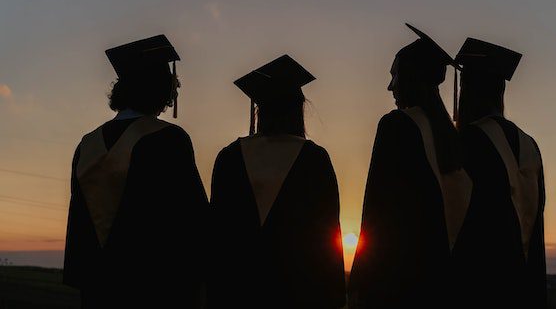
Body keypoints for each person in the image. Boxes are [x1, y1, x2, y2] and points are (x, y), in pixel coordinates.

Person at [63, 35, 209, 309]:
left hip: (98, 286)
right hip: (155, 285)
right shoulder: (169, 139)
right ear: (162, 89)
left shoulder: (87, 144)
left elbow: (80, 220)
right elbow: (191, 217)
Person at [349, 24, 472, 308]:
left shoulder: (397, 126)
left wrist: (360, 283)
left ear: (411, 77)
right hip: (446, 285)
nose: (391, 86)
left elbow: (377, 214)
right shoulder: (454, 141)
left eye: (395, 75)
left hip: (400, 285)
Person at [208, 55, 346, 309]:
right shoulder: (315, 159)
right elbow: (328, 236)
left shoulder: (230, 157)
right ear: (298, 108)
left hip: (237, 291)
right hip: (298, 292)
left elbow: (216, 235)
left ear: (260, 109)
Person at [454, 38, 547, 308]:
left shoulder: (470, 140)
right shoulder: (530, 144)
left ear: (468, 89)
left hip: (478, 287)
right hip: (524, 288)